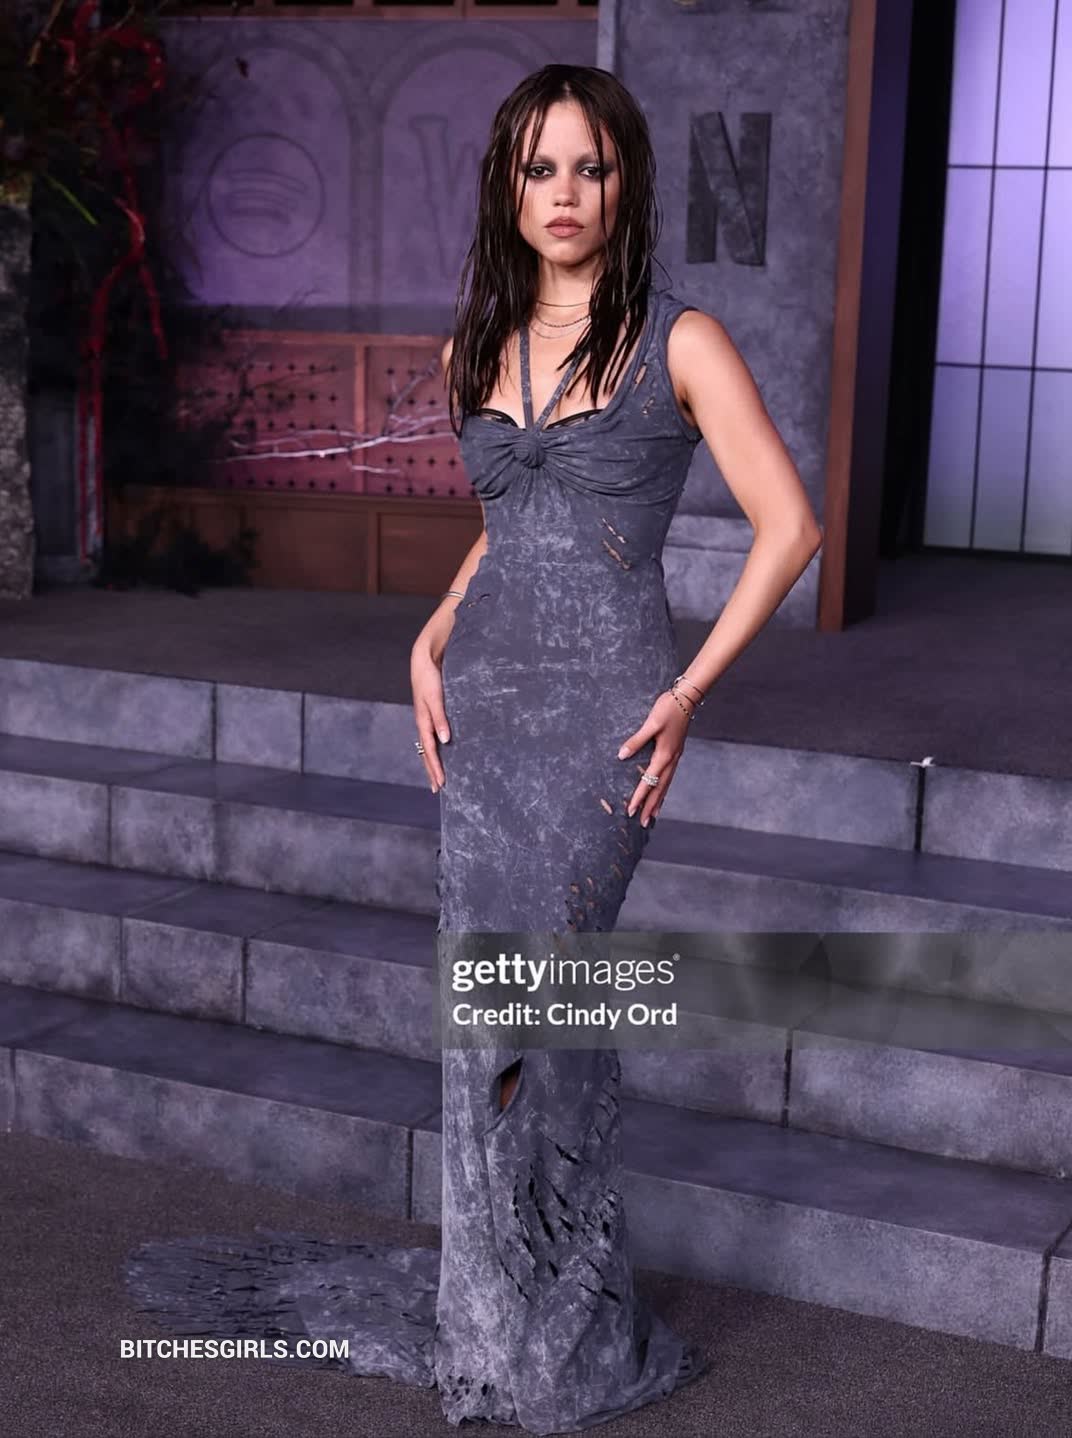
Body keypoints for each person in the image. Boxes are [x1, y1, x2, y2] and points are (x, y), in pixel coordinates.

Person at [123, 63, 821, 1436]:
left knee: (550, 1011)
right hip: (487, 708)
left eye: (590, 168)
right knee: (487, 1014)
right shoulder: (478, 345)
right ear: (509, 186)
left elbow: (790, 526)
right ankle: (501, 1312)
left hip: (608, 715)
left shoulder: (683, 341)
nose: (566, 193)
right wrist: (433, 628)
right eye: (540, 168)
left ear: (625, 183)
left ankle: (566, 1315)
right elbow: (511, 526)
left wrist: (687, 691)